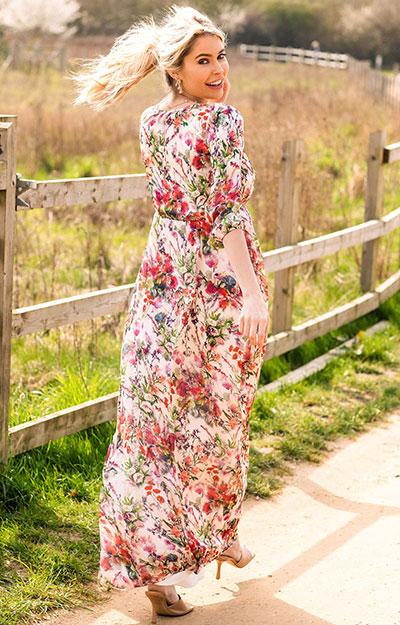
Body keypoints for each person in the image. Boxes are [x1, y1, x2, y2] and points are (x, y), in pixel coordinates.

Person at [70, 4, 270, 622]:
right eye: (203, 60)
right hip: (214, 282)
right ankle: (207, 537)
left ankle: (178, 560)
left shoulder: (152, 120)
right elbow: (224, 213)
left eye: (221, 56)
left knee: (153, 420)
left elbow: (183, 201)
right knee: (215, 415)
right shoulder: (221, 120)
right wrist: (253, 293)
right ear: (176, 70)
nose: (218, 70)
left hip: (163, 276)